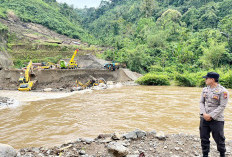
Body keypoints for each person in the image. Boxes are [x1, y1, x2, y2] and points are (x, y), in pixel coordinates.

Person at [199, 72, 229, 157]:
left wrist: (211, 116)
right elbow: (201, 102)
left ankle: (222, 154)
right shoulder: (205, 89)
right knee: (204, 138)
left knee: (220, 139)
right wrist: (204, 113)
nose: (205, 80)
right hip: (204, 118)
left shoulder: (223, 91)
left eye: (206, 78)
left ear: (212, 79)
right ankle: (205, 155)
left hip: (217, 120)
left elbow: (222, 106)